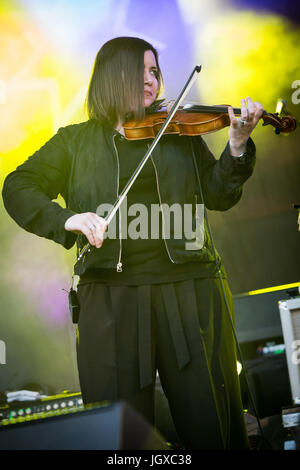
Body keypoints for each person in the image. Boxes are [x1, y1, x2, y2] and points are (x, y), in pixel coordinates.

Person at [2, 36, 264, 450]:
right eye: (141, 70)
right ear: (112, 75)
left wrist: (236, 147)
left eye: (156, 72)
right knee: (119, 435)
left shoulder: (177, 131)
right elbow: (17, 186)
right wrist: (67, 218)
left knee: (212, 425)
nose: (152, 80)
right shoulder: (74, 142)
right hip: (110, 297)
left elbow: (218, 195)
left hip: (190, 288)